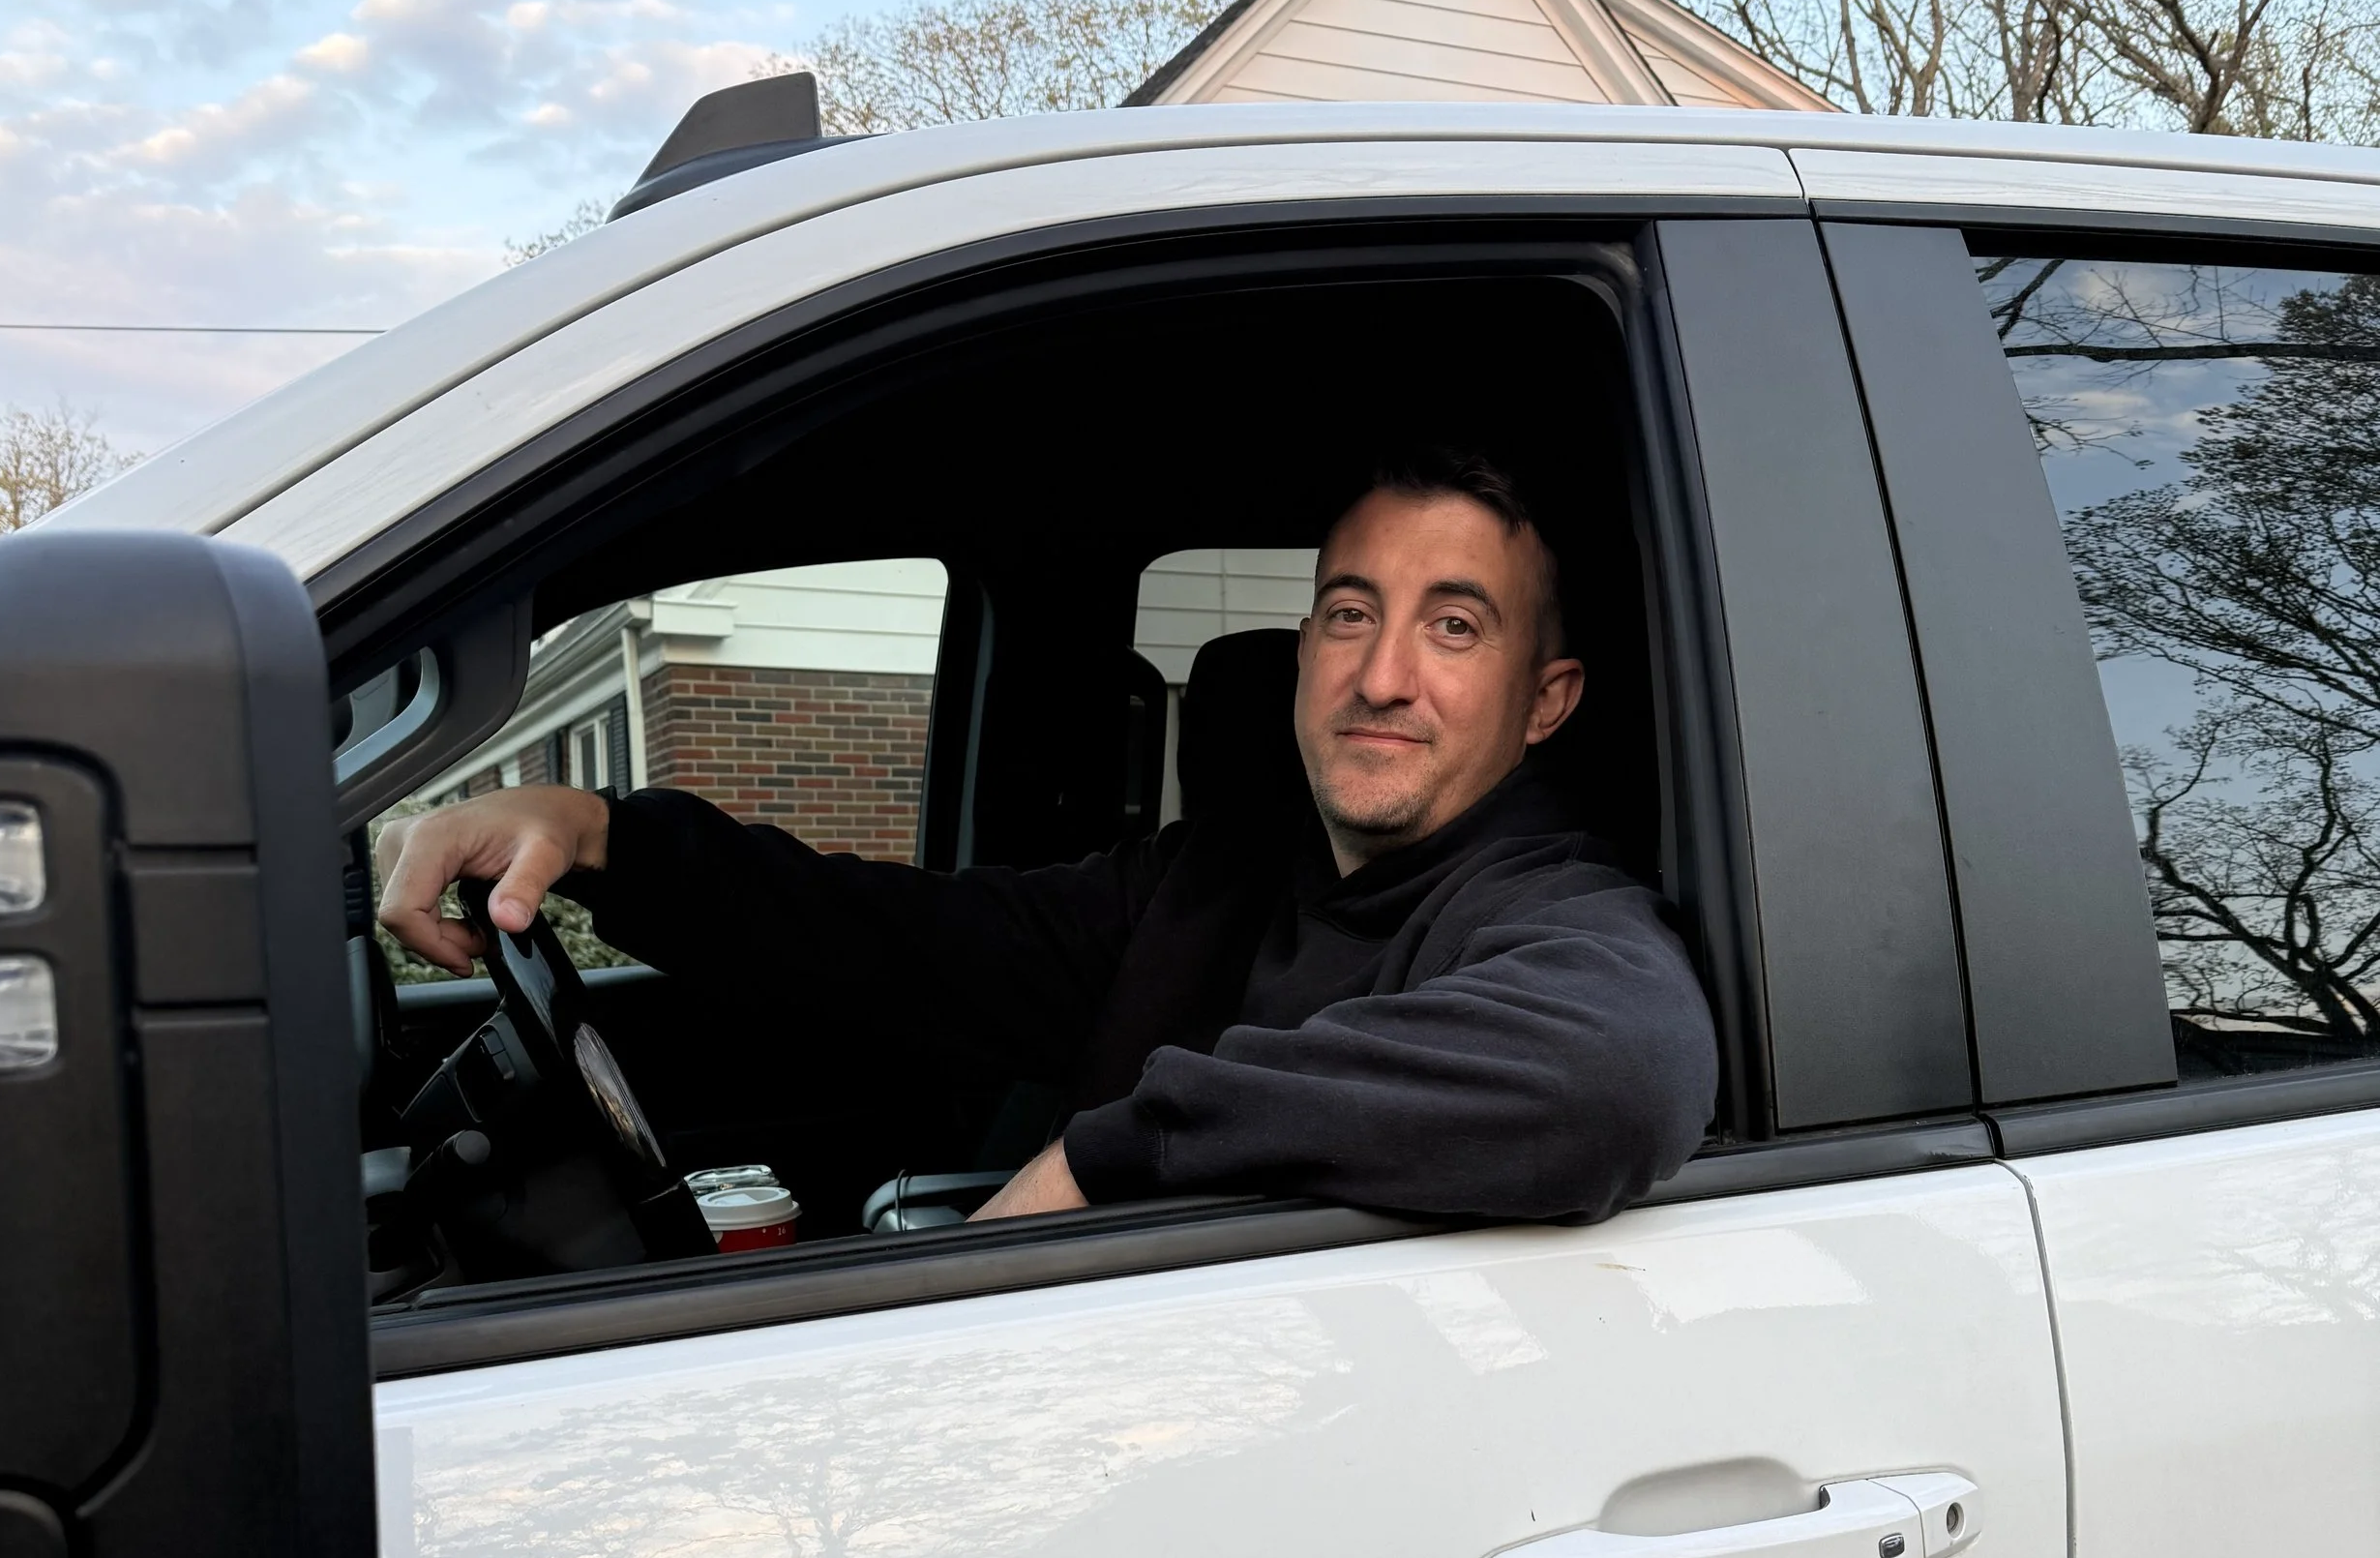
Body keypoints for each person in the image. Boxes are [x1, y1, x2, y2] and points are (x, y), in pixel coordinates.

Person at [376, 451, 1719, 1226]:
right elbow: (901, 946)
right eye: (1350, 614)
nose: (1380, 677)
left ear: (1546, 701)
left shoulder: (1550, 905)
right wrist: (603, 833)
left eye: (1455, 626)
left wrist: (1101, 1151)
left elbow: (1618, 1072)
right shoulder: (1214, 882)